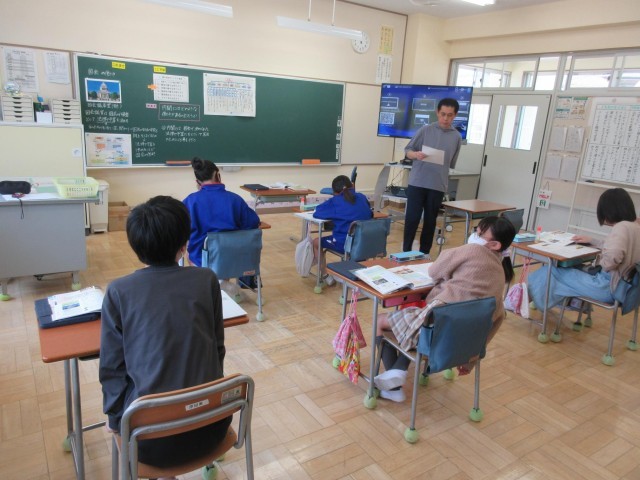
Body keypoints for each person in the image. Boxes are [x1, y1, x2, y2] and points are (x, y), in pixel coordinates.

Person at [99, 196, 230, 471]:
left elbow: (112, 368)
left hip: (149, 443)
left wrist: (114, 422)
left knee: (127, 406)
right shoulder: (206, 279)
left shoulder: (119, 291)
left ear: (136, 247)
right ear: (184, 244)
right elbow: (218, 348)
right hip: (212, 426)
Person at [374, 216, 516, 402]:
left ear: (495, 245)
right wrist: (471, 360)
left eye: (479, 233)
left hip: (435, 328)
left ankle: (395, 382)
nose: (474, 235)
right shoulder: (500, 274)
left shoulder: (473, 250)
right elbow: (497, 320)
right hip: (457, 345)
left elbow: (434, 271)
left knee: (381, 321)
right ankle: (397, 373)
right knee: (420, 329)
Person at [528, 188, 640, 310]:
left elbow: (612, 258)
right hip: (629, 290)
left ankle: (524, 300)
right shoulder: (635, 226)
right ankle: (556, 302)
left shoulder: (621, 227)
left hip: (607, 287)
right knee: (570, 270)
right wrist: (593, 241)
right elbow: (620, 248)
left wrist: (600, 262)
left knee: (551, 271)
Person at [183, 156, 260, 290]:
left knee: (190, 251)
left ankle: (213, 287)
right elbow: (253, 223)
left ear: (197, 182)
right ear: (218, 175)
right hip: (231, 258)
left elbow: (180, 229)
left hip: (202, 260)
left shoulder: (190, 201)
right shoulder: (235, 199)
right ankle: (222, 285)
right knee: (223, 249)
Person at [403, 98, 462, 257]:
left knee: (430, 221)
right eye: (443, 114)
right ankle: (405, 252)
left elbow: (451, 162)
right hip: (418, 182)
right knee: (412, 219)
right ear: (437, 112)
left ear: (455, 115)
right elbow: (408, 150)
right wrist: (415, 155)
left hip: (437, 184)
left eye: (450, 115)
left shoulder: (456, 137)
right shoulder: (425, 130)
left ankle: (425, 253)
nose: (445, 118)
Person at [313, 175, 372, 284]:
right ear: (352, 186)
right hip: (366, 242)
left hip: (345, 244)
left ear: (334, 192)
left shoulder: (335, 201)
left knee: (316, 242)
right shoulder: (362, 197)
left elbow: (318, 212)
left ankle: (325, 276)